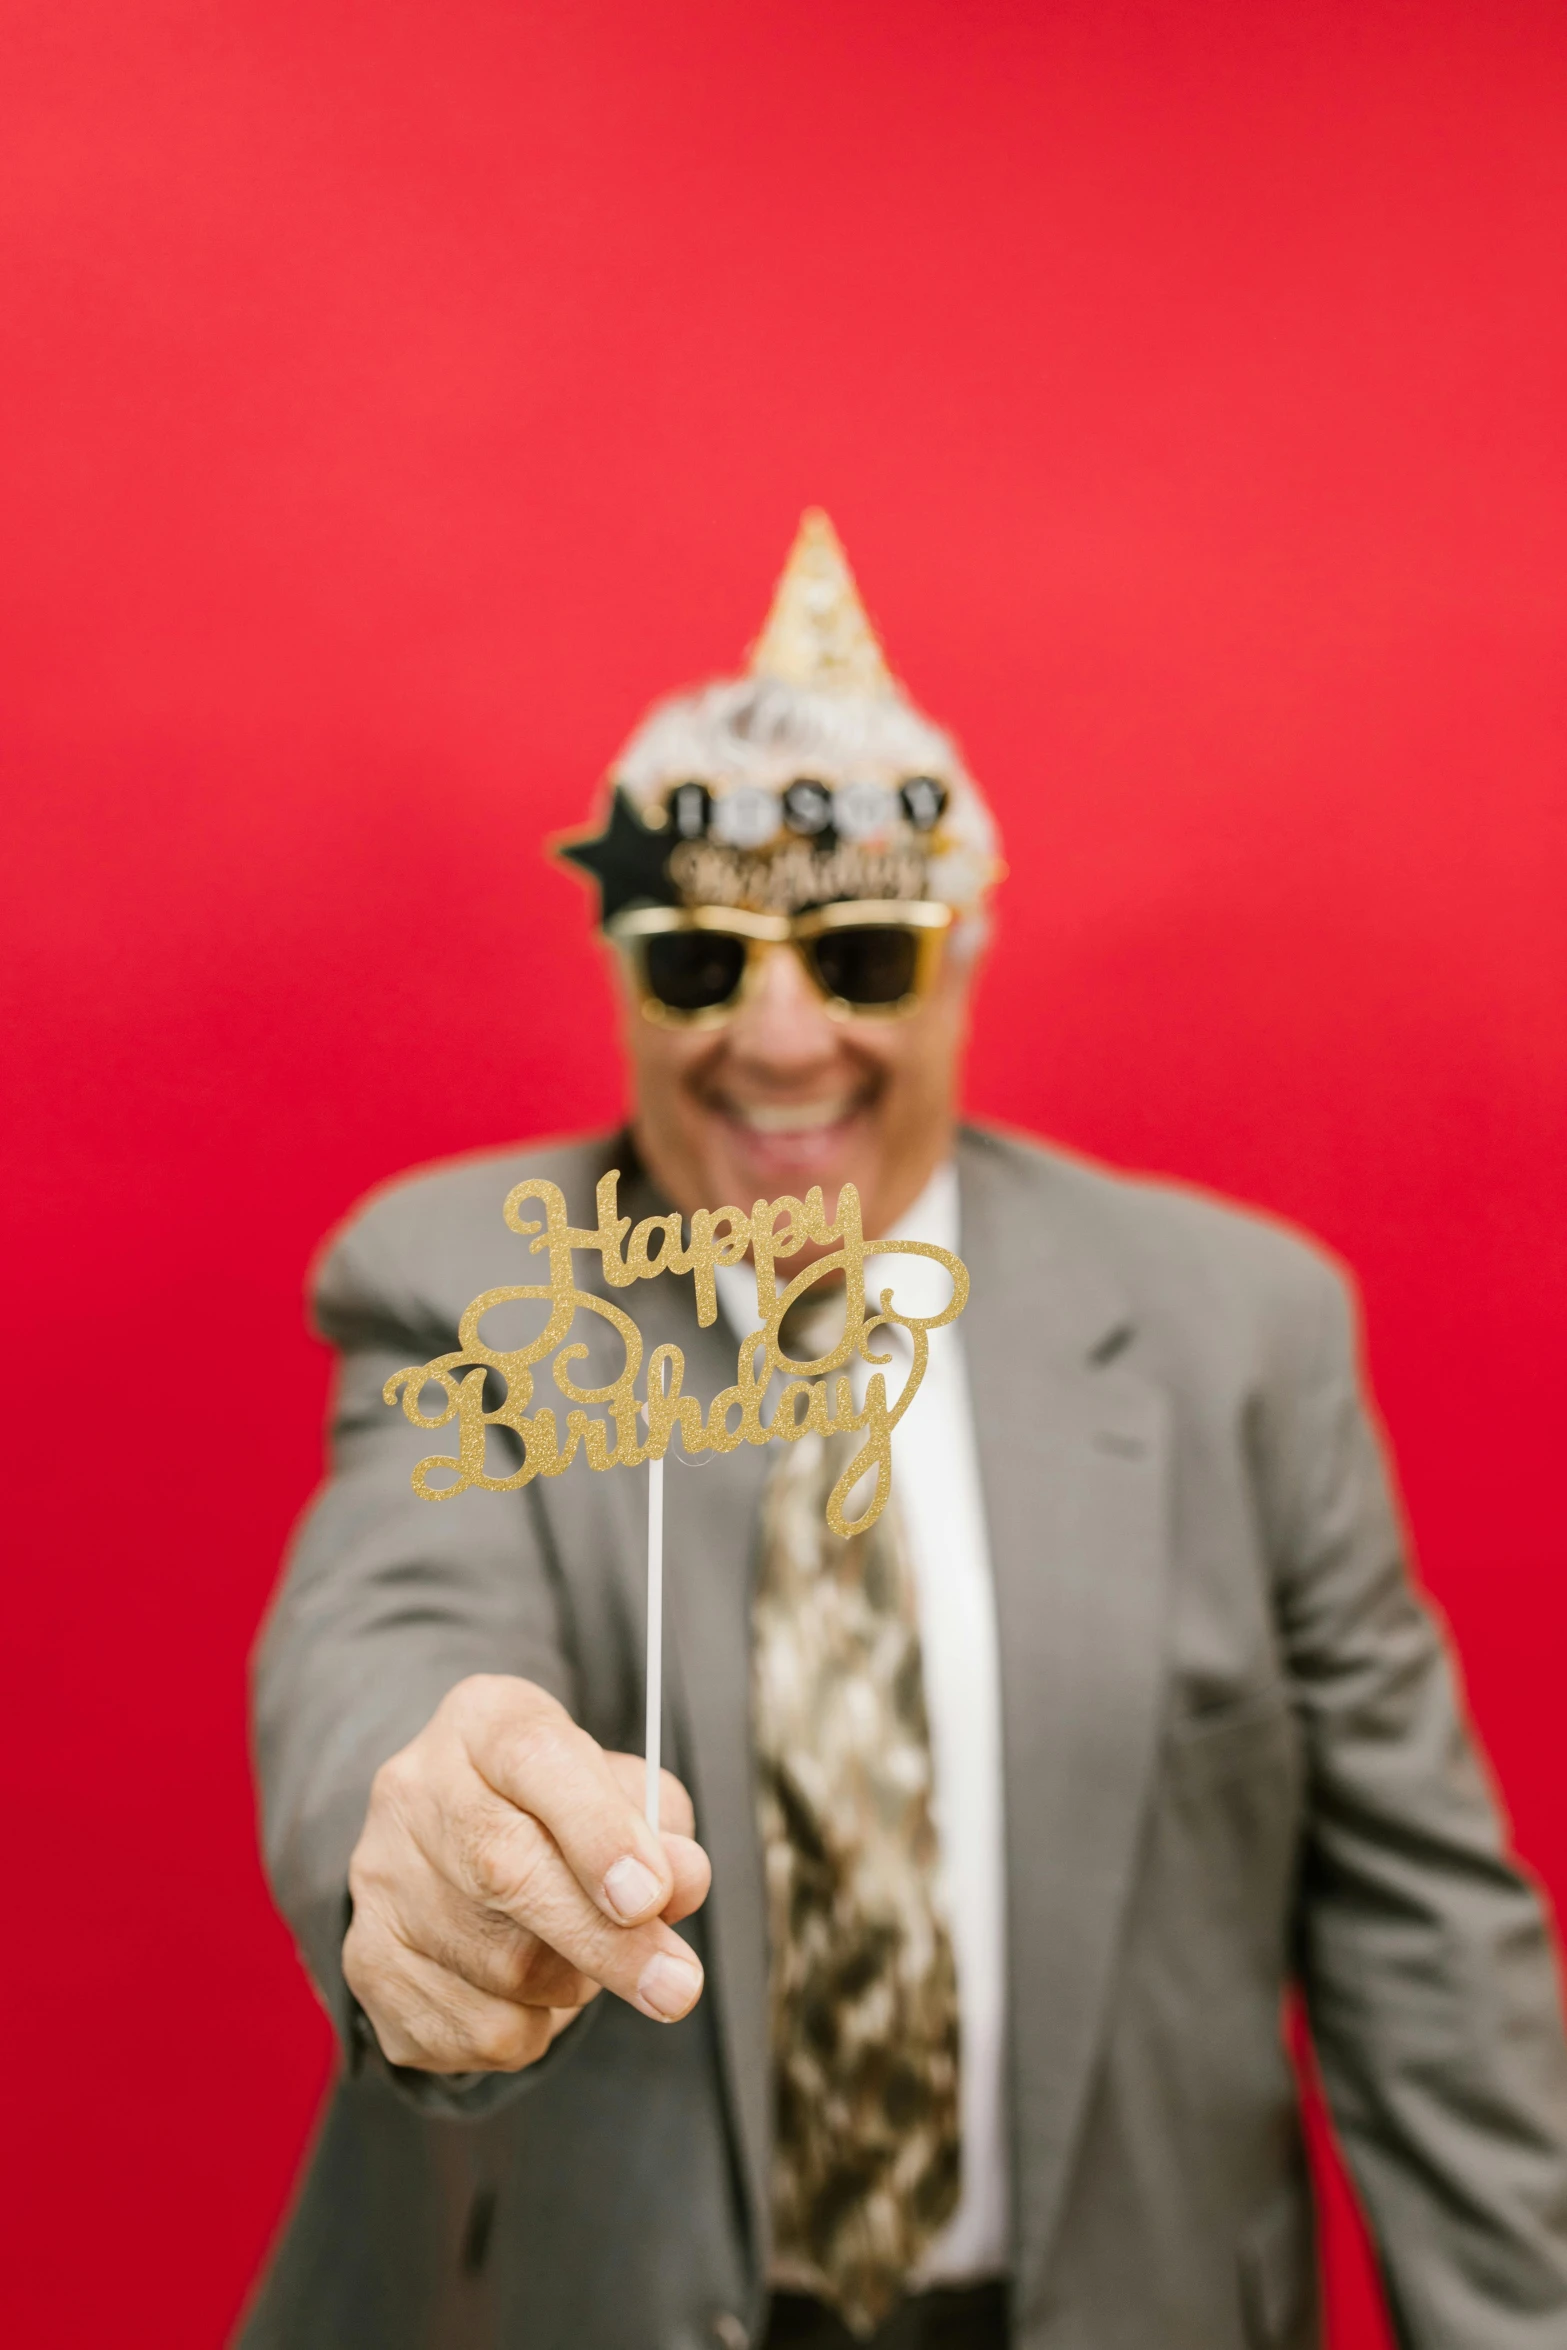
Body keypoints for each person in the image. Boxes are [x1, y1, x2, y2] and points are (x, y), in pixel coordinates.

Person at [245, 514, 1567, 2350]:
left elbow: (1425, 1945)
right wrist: (426, 1863)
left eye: (858, 953)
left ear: (959, 955)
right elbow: (385, 1638)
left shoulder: (1238, 1331)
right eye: (702, 965)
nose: (780, 1041)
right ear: (624, 973)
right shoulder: (466, 1282)